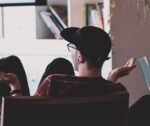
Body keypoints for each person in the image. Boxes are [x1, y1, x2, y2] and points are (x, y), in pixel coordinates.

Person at [0, 26, 136, 96]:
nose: (70, 52)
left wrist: (15, 84)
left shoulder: (54, 83)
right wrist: (113, 76)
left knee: (10, 64)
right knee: (61, 64)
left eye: (72, 47)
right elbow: (97, 90)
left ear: (80, 57)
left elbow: (21, 118)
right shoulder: (118, 90)